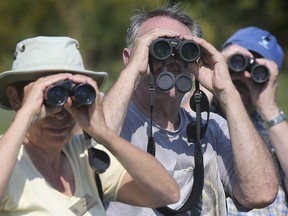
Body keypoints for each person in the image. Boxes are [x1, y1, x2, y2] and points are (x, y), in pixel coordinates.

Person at [102, 4, 279, 216]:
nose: (172, 58)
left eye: (184, 49)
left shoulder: (211, 128)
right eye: (158, 47)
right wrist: (134, 70)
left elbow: (260, 193)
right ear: (129, 57)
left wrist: (227, 92)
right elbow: (93, 141)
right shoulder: (107, 114)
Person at [0, 36, 180, 216]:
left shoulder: (84, 156)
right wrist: (28, 113)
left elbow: (167, 193)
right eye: (49, 98)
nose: (60, 114)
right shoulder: (10, 161)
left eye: (70, 97)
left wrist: (104, 134)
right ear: (15, 98)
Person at [190, 26, 287, 215]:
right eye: (237, 62)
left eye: (257, 69)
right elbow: (179, 132)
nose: (243, 75)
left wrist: (269, 108)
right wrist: (215, 77)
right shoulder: (201, 114)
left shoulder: (274, 129)